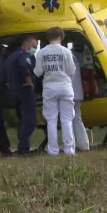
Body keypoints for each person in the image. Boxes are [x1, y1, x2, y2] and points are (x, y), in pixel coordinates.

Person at [33, 27, 76, 156]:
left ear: (47, 38)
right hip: (65, 86)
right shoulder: (66, 51)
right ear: (61, 37)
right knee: (67, 119)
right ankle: (69, 149)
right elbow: (71, 71)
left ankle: (53, 150)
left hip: (49, 87)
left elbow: (38, 72)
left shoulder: (41, 53)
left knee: (51, 120)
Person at [5, 35, 39, 156]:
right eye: (34, 46)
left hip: (15, 93)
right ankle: (23, 149)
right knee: (29, 121)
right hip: (25, 91)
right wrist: (29, 82)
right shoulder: (23, 56)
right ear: (27, 44)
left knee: (22, 120)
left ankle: (22, 146)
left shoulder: (10, 57)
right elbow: (25, 67)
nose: (35, 49)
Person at [69, 45, 91, 152]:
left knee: (67, 120)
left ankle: (70, 146)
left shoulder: (66, 58)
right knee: (77, 119)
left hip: (68, 93)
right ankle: (84, 145)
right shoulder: (75, 58)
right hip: (77, 93)